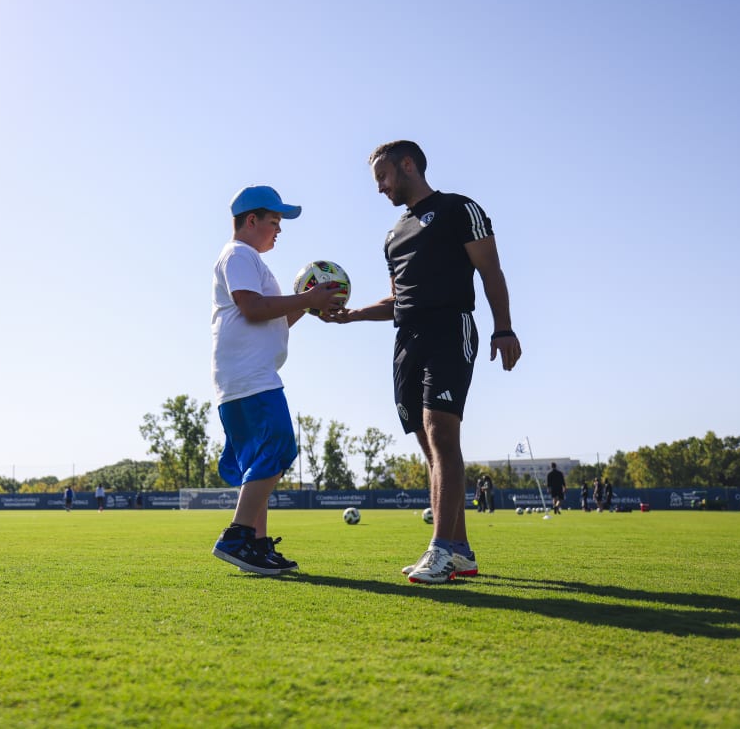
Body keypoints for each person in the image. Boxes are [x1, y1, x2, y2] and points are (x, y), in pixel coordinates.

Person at [322, 141, 521, 583]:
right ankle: (462, 552)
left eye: (383, 177)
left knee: (442, 435)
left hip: (450, 329)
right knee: (429, 446)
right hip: (406, 341)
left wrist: (503, 327)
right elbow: (398, 299)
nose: (380, 188)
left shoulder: (459, 209)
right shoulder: (393, 235)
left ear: (407, 165)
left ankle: (441, 549)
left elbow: (491, 270)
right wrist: (352, 315)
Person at [210, 185, 345, 576]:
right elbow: (252, 309)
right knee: (277, 447)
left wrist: (309, 304)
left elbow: (273, 320)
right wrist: (308, 298)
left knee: (260, 463)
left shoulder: (248, 259)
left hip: (242, 376)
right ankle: (237, 536)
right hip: (250, 377)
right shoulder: (239, 254)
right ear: (251, 220)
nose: (279, 230)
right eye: (274, 222)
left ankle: (254, 545)